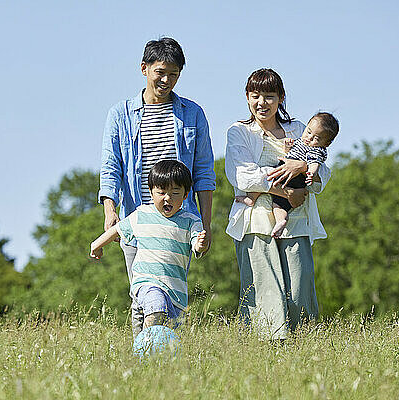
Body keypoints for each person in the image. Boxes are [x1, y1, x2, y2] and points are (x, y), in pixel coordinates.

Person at [98, 37, 215, 338]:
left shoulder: (192, 114)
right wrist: (110, 211)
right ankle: (145, 360)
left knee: (171, 295)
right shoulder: (120, 114)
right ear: (144, 68)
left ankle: (166, 357)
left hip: (179, 221)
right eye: (160, 72)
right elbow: (111, 166)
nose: (166, 80)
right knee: (142, 296)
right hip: (136, 218)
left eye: (174, 74)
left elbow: (203, 172)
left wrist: (206, 223)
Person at [224, 68, 331, 340]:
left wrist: (303, 165)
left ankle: (304, 345)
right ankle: (267, 347)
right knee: (264, 286)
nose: (262, 102)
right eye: (255, 95)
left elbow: (323, 172)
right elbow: (242, 175)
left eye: (269, 96)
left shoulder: (298, 129)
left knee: (298, 286)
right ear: (247, 98)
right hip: (255, 220)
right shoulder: (240, 132)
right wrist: (285, 191)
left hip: (297, 219)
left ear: (281, 98)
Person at [91, 160, 207, 329]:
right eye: (161, 192)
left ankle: (144, 350)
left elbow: (197, 245)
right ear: (151, 193)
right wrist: (97, 244)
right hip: (147, 284)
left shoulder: (190, 221)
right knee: (157, 309)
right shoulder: (142, 214)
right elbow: (117, 229)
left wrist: (200, 244)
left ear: (186, 194)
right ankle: (149, 337)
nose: (167, 198)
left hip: (175, 293)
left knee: (167, 344)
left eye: (175, 193)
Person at [236, 112, 339, 238]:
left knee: (268, 178)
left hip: (293, 176)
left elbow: (314, 163)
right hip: (288, 177)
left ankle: (251, 198)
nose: (309, 138)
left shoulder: (317, 150)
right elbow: (290, 154)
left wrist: (309, 171)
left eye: (316, 138)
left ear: (326, 143)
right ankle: (281, 220)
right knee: (279, 204)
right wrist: (287, 148)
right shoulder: (301, 140)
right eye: (309, 131)